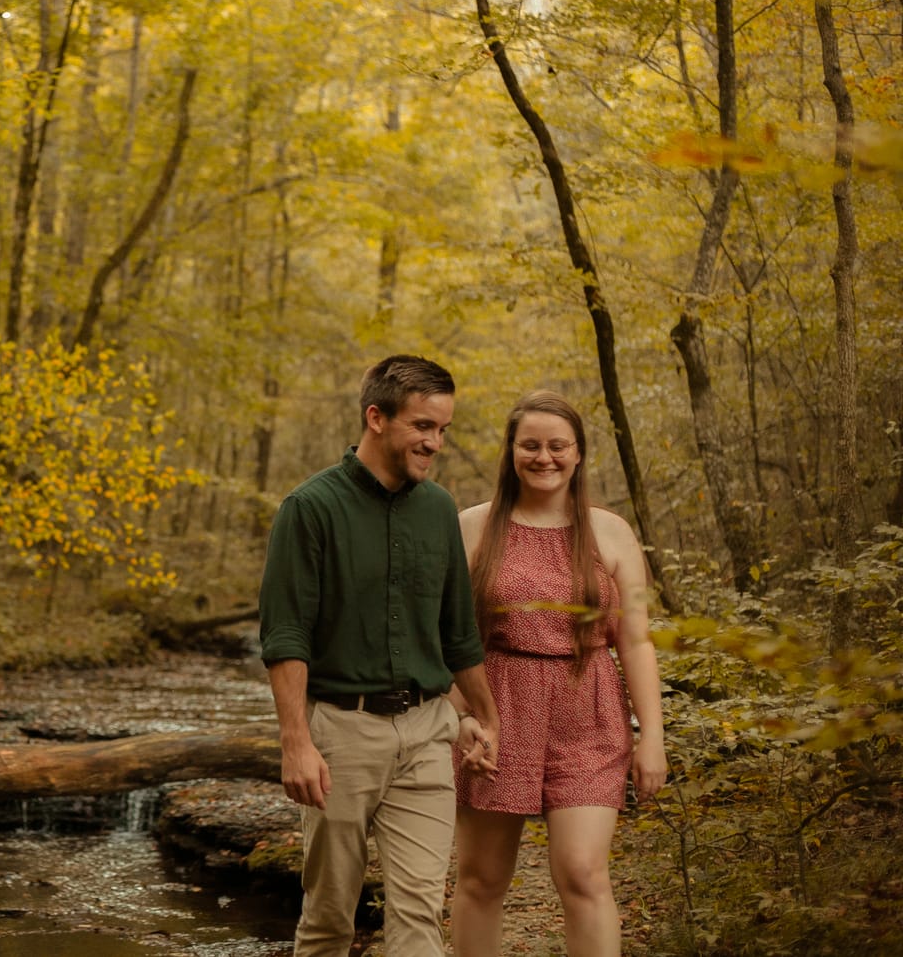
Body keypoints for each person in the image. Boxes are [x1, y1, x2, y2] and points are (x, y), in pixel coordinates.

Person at [259, 354, 500, 957]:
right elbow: (286, 636)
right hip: (342, 734)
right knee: (329, 920)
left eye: (443, 429)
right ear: (376, 417)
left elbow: (458, 631)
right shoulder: (309, 508)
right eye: (423, 426)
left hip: (426, 734)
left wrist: (487, 717)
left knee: (419, 915)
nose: (435, 442)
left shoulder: (439, 509)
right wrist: (296, 742)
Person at [448, 390, 667, 957]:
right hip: (497, 708)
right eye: (531, 445)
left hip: (589, 709)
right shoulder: (471, 528)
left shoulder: (612, 533)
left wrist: (653, 739)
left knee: (584, 874)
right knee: (481, 879)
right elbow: (444, 634)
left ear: (578, 453)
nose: (544, 457)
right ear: (511, 451)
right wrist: (460, 713)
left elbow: (637, 641)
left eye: (557, 446)